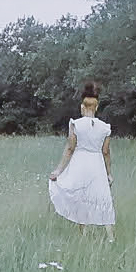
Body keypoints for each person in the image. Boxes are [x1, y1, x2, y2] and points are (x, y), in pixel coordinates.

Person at [46, 84, 116, 234]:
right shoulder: (105, 127)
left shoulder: (75, 124)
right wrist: (109, 173)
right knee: (102, 197)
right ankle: (110, 236)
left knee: (80, 196)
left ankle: (83, 233)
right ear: (97, 108)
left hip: (80, 163)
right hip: (97, 164)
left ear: (82, 107)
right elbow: (106, 152)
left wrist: (58, 171)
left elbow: (70, 148)